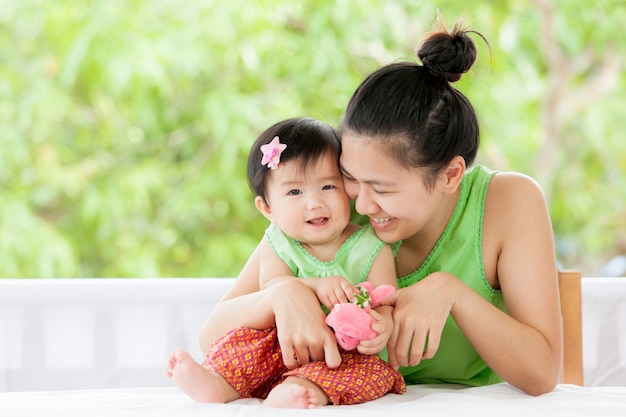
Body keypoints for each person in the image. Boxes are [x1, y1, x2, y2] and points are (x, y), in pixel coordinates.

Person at [197, 20, 562, 397]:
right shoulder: (330, 205)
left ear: (451, 175)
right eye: (350, 176)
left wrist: (449, 292)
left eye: (382, 188)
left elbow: (542, 373)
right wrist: (283, 294)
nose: (363, 203)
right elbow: (211, 337)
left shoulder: (508, 202)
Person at [165, 117, 405, 408]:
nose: (314, 202)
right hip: (282, 348)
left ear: (348, 188)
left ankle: (302, 389)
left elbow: (387, 302)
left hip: (343, 355)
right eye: (294, 192)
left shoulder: (372, 246)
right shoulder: (278, 243)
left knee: (371, 374)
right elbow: (275, 288)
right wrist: (314, 285)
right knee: (242, 346)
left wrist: (381, 329)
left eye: (328, 186)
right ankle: (219, 384)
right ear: (267, 208)